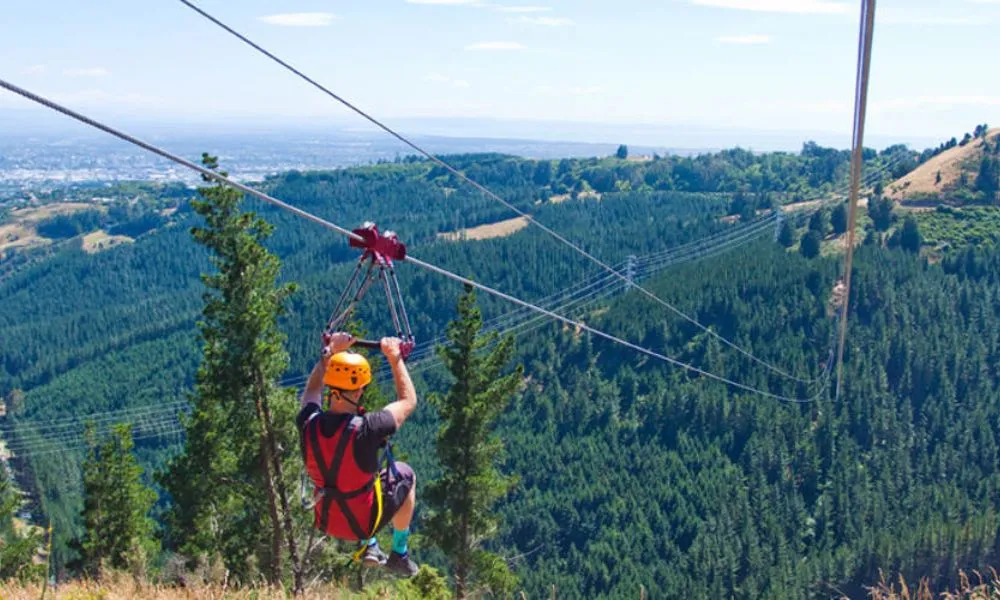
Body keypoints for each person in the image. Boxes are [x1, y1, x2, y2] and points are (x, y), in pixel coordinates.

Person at [297, 331, 419, 577]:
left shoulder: (308, 423)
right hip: (362, 521)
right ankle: (399, 553)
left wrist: (328, 354)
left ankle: (370, 546)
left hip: (326, 518)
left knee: (345, 477)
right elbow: (408, 401)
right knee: (406, 475)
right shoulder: (369, 428)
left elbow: (311, 391)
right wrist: (395, 359)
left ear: (331, 385)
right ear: (360, 390)